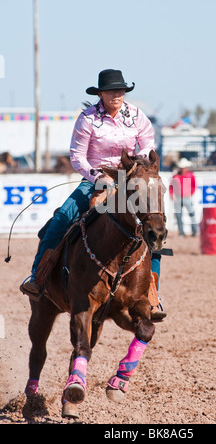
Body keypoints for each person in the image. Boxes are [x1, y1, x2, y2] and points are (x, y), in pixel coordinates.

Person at [21, 69, 166, 319]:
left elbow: (148, 144)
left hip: (131, 178)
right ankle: (38, 277)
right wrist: (98, 177)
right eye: (112, 91)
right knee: (61, 220)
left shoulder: (136, 116)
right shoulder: (88, 119)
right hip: (96, 179)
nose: (117, 95)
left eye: (121, 90)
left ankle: (151, 295)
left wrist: (137, 167)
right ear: (100, 94)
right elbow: (77, 156)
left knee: (153, 230)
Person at [169, 158, 197, 237]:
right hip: (178, 198)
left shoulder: (190, 175)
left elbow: (194, 186)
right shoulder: (176, 176)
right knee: (179, 216)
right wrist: (172, 196)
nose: (183, 169)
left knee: (192, 214)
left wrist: (191, 193)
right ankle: (181, 232)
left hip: (187, 197)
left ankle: (194, 231)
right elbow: (171, 187)